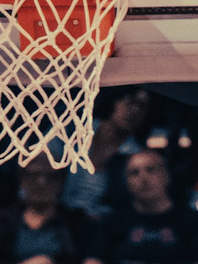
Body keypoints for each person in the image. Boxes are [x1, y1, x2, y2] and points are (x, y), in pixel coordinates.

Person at [61, 88, 152, 223]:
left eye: (142, 107)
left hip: (102, 225)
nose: (135, 110)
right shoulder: (75, 131)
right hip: (59, 219)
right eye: (129, 101)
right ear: (114, 101)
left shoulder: (136, 156)